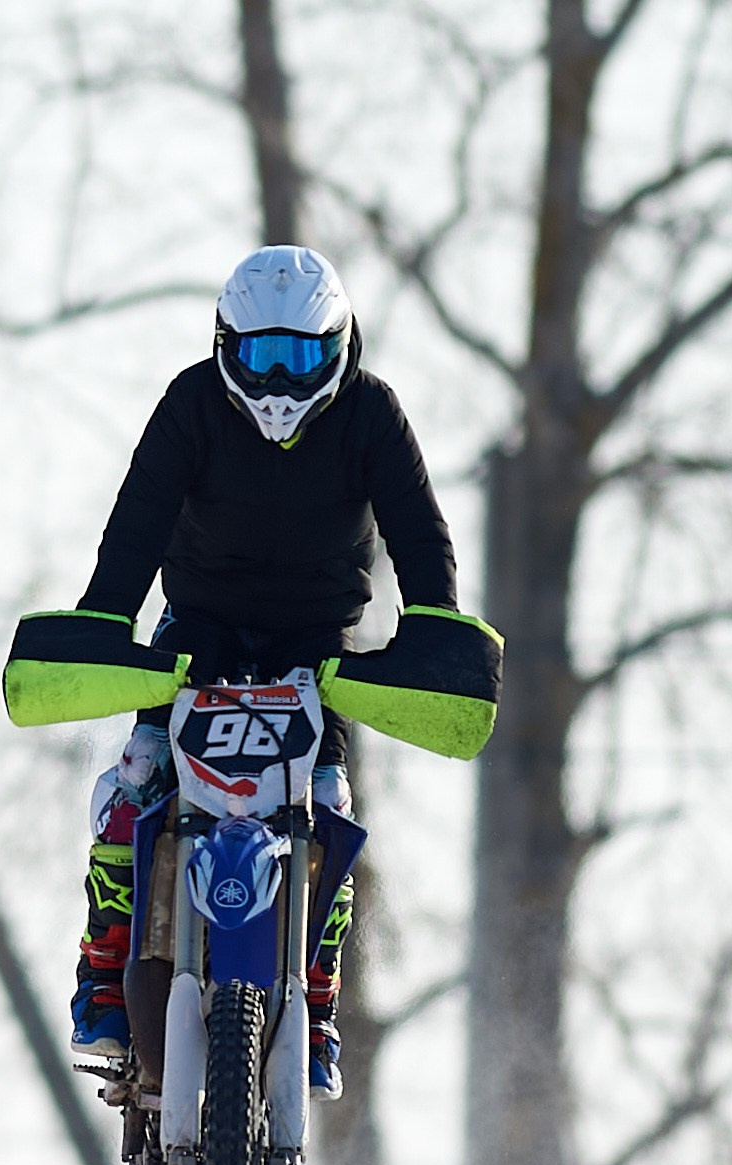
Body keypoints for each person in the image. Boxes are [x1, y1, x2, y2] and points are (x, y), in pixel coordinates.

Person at [67, 245, 459, 1097]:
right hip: (193, 632)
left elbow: (419, 537)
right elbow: (134, 525)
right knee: (135, 782)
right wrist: (104, 624)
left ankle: (313, 1000)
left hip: (316, 648)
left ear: (339, 346)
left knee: (331, 811)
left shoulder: (371, 416)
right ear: (224, 345)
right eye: (262, 355)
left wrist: (436, 630)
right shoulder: (191, 405)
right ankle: (103, 973)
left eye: (301, 355)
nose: (279, 378)